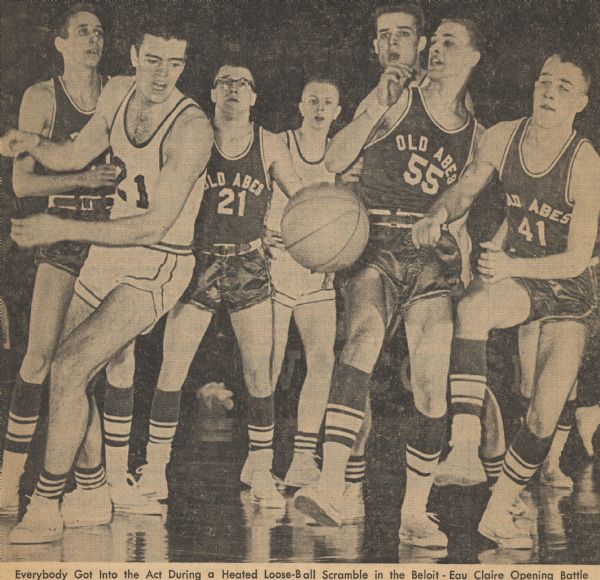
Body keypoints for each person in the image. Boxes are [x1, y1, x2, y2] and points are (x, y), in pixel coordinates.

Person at [4, 17, 213, 543]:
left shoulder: (192, 127)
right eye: (154, 61)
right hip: (110, 251)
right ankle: (94, 488)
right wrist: (29, 140)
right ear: (134, 57)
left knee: (73, 366)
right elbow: (75, 155)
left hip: (159, 262)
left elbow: (155, 223)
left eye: (176, 64)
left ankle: (46, 502)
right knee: (62, 367)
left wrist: (57, 224)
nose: (164, 74)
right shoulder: (119, 92)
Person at [295, 17, 483, 551]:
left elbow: (464, 206)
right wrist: (377, 103)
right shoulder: (392, 98)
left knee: (430, 377)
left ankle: (414, 513)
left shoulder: (477, 131)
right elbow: (333, 159)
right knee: (363, 338)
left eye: (451, 43)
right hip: (375, 241)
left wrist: (464, 253)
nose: (440, 51)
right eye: (437, 43)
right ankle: (333, 483)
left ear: (472, 58)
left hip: (430, 256)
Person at [412, 49, 599, 548]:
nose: (549, 91)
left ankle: (498, 511)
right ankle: (466, 448)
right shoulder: (503, 136)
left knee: (543, 411)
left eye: (563, 86)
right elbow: (465, 188)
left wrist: (511, 265)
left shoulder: (585, 163)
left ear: (579, 102)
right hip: (519, 272)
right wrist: (438, 215)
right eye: (543, 80)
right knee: (471, 307)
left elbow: (577, 258)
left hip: (565, 286)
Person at [122, 61, 303, 509]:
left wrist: (288, 227)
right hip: (197, 260)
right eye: (225, 81)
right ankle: (154, 470)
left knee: (260, 373)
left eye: (244, 82)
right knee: (172, 367)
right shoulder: (195, 136)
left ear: (255, 97)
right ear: (212, 93)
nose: (234, 89)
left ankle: (261, 471)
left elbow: (302, 199)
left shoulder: (270, 142)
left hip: (247, 263)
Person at [0, 3, 117, 515]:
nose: (93, 40)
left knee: (101, 367)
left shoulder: (118, 93)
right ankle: (8, 480)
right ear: (61, 42)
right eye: (82, 32)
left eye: (99, 31)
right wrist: (82, 179)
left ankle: (97, 483)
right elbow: (24, 183)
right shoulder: (43, 97)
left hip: (113, 238)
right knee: (40, 358)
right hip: (63, 237)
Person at [264, 78, 340, 489]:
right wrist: (262, 229)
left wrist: (336, 254)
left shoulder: (342, 154)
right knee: (270, 365)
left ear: (338, 111)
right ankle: (257, 457)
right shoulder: (279, 143)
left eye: (328, 102)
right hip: (277, 263)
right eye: (312, 99)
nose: (319, 106)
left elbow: (347, 213)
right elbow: (261, 193)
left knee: (322, 360)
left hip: (317, 269)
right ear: (299, 104)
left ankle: (303, 457)